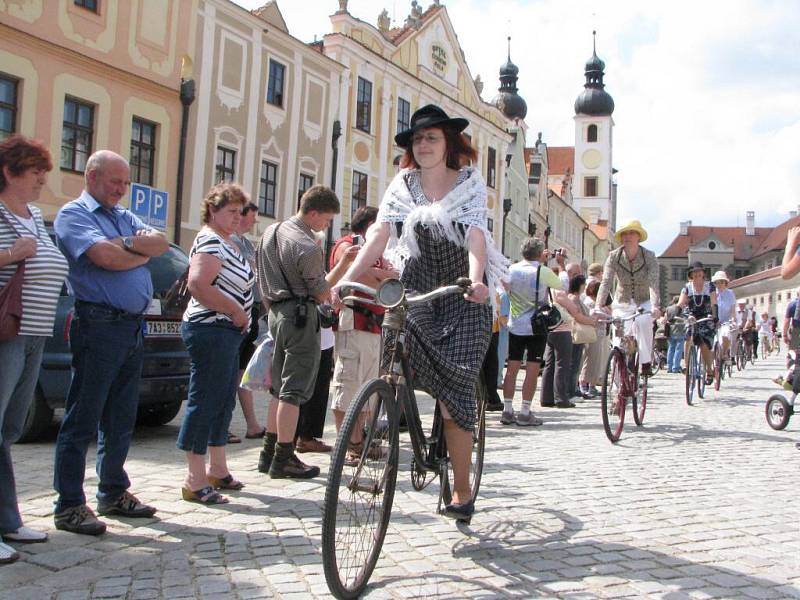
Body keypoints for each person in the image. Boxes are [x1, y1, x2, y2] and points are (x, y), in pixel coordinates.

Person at [334, 104, 507, 522]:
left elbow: (476, 235)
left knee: (454, 400)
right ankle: (391, 409)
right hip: (417, 284)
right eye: (417, 138)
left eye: (432, 136)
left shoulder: (468, 182)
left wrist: (476, 279)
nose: (423, 144)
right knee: (395, 350)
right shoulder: (404, 184)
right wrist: (347, 279)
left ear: (449, 142)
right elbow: (380, 233)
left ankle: (462, 491)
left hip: (461, 292)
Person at [54, 150, 168, 535]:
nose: (121, 190)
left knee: (121, 417)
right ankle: (69, 503)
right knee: (83, 416)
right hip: (98, 324)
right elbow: (103, 257)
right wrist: (132, 250)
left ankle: (113, 492)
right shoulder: (74, 214)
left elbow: (161, 244)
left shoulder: (122, 216)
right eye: (114, 182)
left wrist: (126, 249)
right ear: (91, 176)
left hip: (132, 327)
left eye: (125, 183)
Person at [0, 136, 68, 562]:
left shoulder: (35, 215)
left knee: (8, 431)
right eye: (35, 171)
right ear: (9, 172)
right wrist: (10, 254)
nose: (43, 179)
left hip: (35, 332)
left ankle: (8, 519)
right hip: (6, 332)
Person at [256, 185, 342, 479]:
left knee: (278, 389)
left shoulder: (271, 232)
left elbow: (261, 280)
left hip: (276, 313)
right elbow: (321, 293)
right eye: (327, 220)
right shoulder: (307, 246)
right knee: (292, 393)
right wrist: (343, 265)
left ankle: (267, 454)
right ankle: (284, 457)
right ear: (314, 212)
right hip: (301, 317)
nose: (327, 226)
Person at [178, 182, 254, 505]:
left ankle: (218, 467)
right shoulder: (210, 239)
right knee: (205, 398)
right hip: (210, 329)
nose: (237, 217)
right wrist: (235, 309)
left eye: (240, 211)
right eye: (231, 211)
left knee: (223, 398)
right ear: (212, 210)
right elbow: (198, 284)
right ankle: (194, 477)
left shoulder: (229, 241)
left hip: (227, 331)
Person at [329, 206, 395, 460]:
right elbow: (367, 280)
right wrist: (381, 276)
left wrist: (381, 275)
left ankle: (359, 439)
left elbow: (389, 278)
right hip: (355, 320)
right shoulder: (349, 244)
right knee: (347, 384)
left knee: (367, 385)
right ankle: (348, 444)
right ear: (370, 224)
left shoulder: (372, 251)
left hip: (373, 324)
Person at [501, 237, 560, 425]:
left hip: (515, 324)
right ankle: (525, 411)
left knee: (511, 369)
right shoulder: (543, 271)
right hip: (536, 326)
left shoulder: (512, 269)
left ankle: (507, 410)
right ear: (540, 253)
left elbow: (504, 290)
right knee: (532, 370)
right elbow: (562, 285)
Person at [597, 220, 662, 376]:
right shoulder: (614, 256)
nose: (627, 236)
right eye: (624, 234)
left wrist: (654, 305)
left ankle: (645, 362)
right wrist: (598, 306)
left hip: (644, 301)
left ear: (638, 237)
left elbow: (653, 283)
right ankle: (616, 383)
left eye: (631, 233)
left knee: (644, 322)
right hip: (622, 302)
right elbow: (606, 282)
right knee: (619, 340)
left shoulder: (649, 256)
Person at [230, 201, 266, 440]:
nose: (254, 222)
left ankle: (252, 424)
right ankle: (221, 427)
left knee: (242, 371)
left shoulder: (244, 242)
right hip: (235, 312)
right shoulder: (229, 240)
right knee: (228, 371)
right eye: (251, 217)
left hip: (250, 310)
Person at [541, 275, 597, 408]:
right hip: (562, 329)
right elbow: (574, 309)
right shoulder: (558, 292)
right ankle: (561, 398)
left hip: (550, 330)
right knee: (562, 364)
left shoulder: (545, 292)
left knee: (549, 365)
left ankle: (546, 398)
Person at [678, 262, 717, 384]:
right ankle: (686, 364)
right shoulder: (687, 287)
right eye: (694, 272)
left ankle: (709, 370)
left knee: (703, 343)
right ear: (690, 275)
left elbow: (713, 302)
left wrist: (715, 315)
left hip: (706, 317)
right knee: (688, 336)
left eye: (699, 272)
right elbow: (681, 302)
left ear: (703, 273)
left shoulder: (709, 286)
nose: (697, 274)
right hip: (691, 316)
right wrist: (674, 311)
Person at [579, 280, 606, 395]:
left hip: (597, 333)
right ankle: (585, 383)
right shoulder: (590, 302)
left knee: (595, 359)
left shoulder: (594, 301)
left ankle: (591, 384)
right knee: (591, 359)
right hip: (593, 333)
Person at [711, 271, 736, 364]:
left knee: (726, 335)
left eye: (722, 281)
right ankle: (713, 366)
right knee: (712, 344)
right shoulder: (712, 293)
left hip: (726, 321)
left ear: (725, 283)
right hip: (714, 321)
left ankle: (725, 353)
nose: (720, 284)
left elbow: (733, 309)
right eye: (717, 282)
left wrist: (733, 319)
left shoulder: (730, 293)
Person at [665, 296, 686, 373]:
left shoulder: (668, 308)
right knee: (678, 350)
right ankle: (675, 367)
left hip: (671, 330)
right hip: (680, 330)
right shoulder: (681, 308)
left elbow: (666, 319)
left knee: (671, 348)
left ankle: (669, 367)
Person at [782, 287, 800, 351]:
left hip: (796, 330)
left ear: (797, 294)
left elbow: (787, 322)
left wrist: (784, 335)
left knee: (793, 352)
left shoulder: (792, 304)